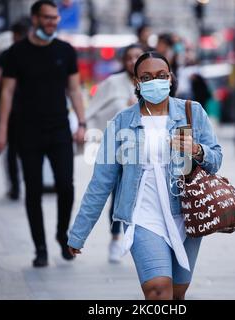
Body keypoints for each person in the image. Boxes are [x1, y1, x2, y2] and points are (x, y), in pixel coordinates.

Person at [67, 52, 222, 300]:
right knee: (158, 290)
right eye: (146, 77)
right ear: (137, 82)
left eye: (161, 76)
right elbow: (101, 182)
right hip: (142, 215)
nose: (155, 82)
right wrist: (78, 233)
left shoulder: (192, 112)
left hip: (187, 214)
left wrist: (196, 150)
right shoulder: (121, 123)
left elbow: (216, 160)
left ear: (170, 78)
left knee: (177, 295)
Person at [0, 0, 86, 267]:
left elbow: (74, 90)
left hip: (59, 130)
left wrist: (81, 122)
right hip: (27, 131)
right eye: (47, 18)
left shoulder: (65, 51)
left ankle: (61, 233)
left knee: (66, 186)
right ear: (35, 19)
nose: (53, 22)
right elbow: (7, 92)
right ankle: (40, 248)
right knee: (32, 190)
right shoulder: (16, 53)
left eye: (55, 18)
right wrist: (2, 130)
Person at [86, 43, 144, 263]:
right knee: (119, 194)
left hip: (146, 150)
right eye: (128, 57)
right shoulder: (112, 83)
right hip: (118, 148)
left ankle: (141, 240)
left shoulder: (152, 82)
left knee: (141, 196)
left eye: (137, 56)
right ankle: (115, 238)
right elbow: (93, 110)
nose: (132, 61)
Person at [0, 19, 30, 200]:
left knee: (12, 151)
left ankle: (16, 187)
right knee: (25, 149)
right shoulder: (30, 53)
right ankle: (25, 184)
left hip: (11, 110)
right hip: (24, 111)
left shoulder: (7, 54)